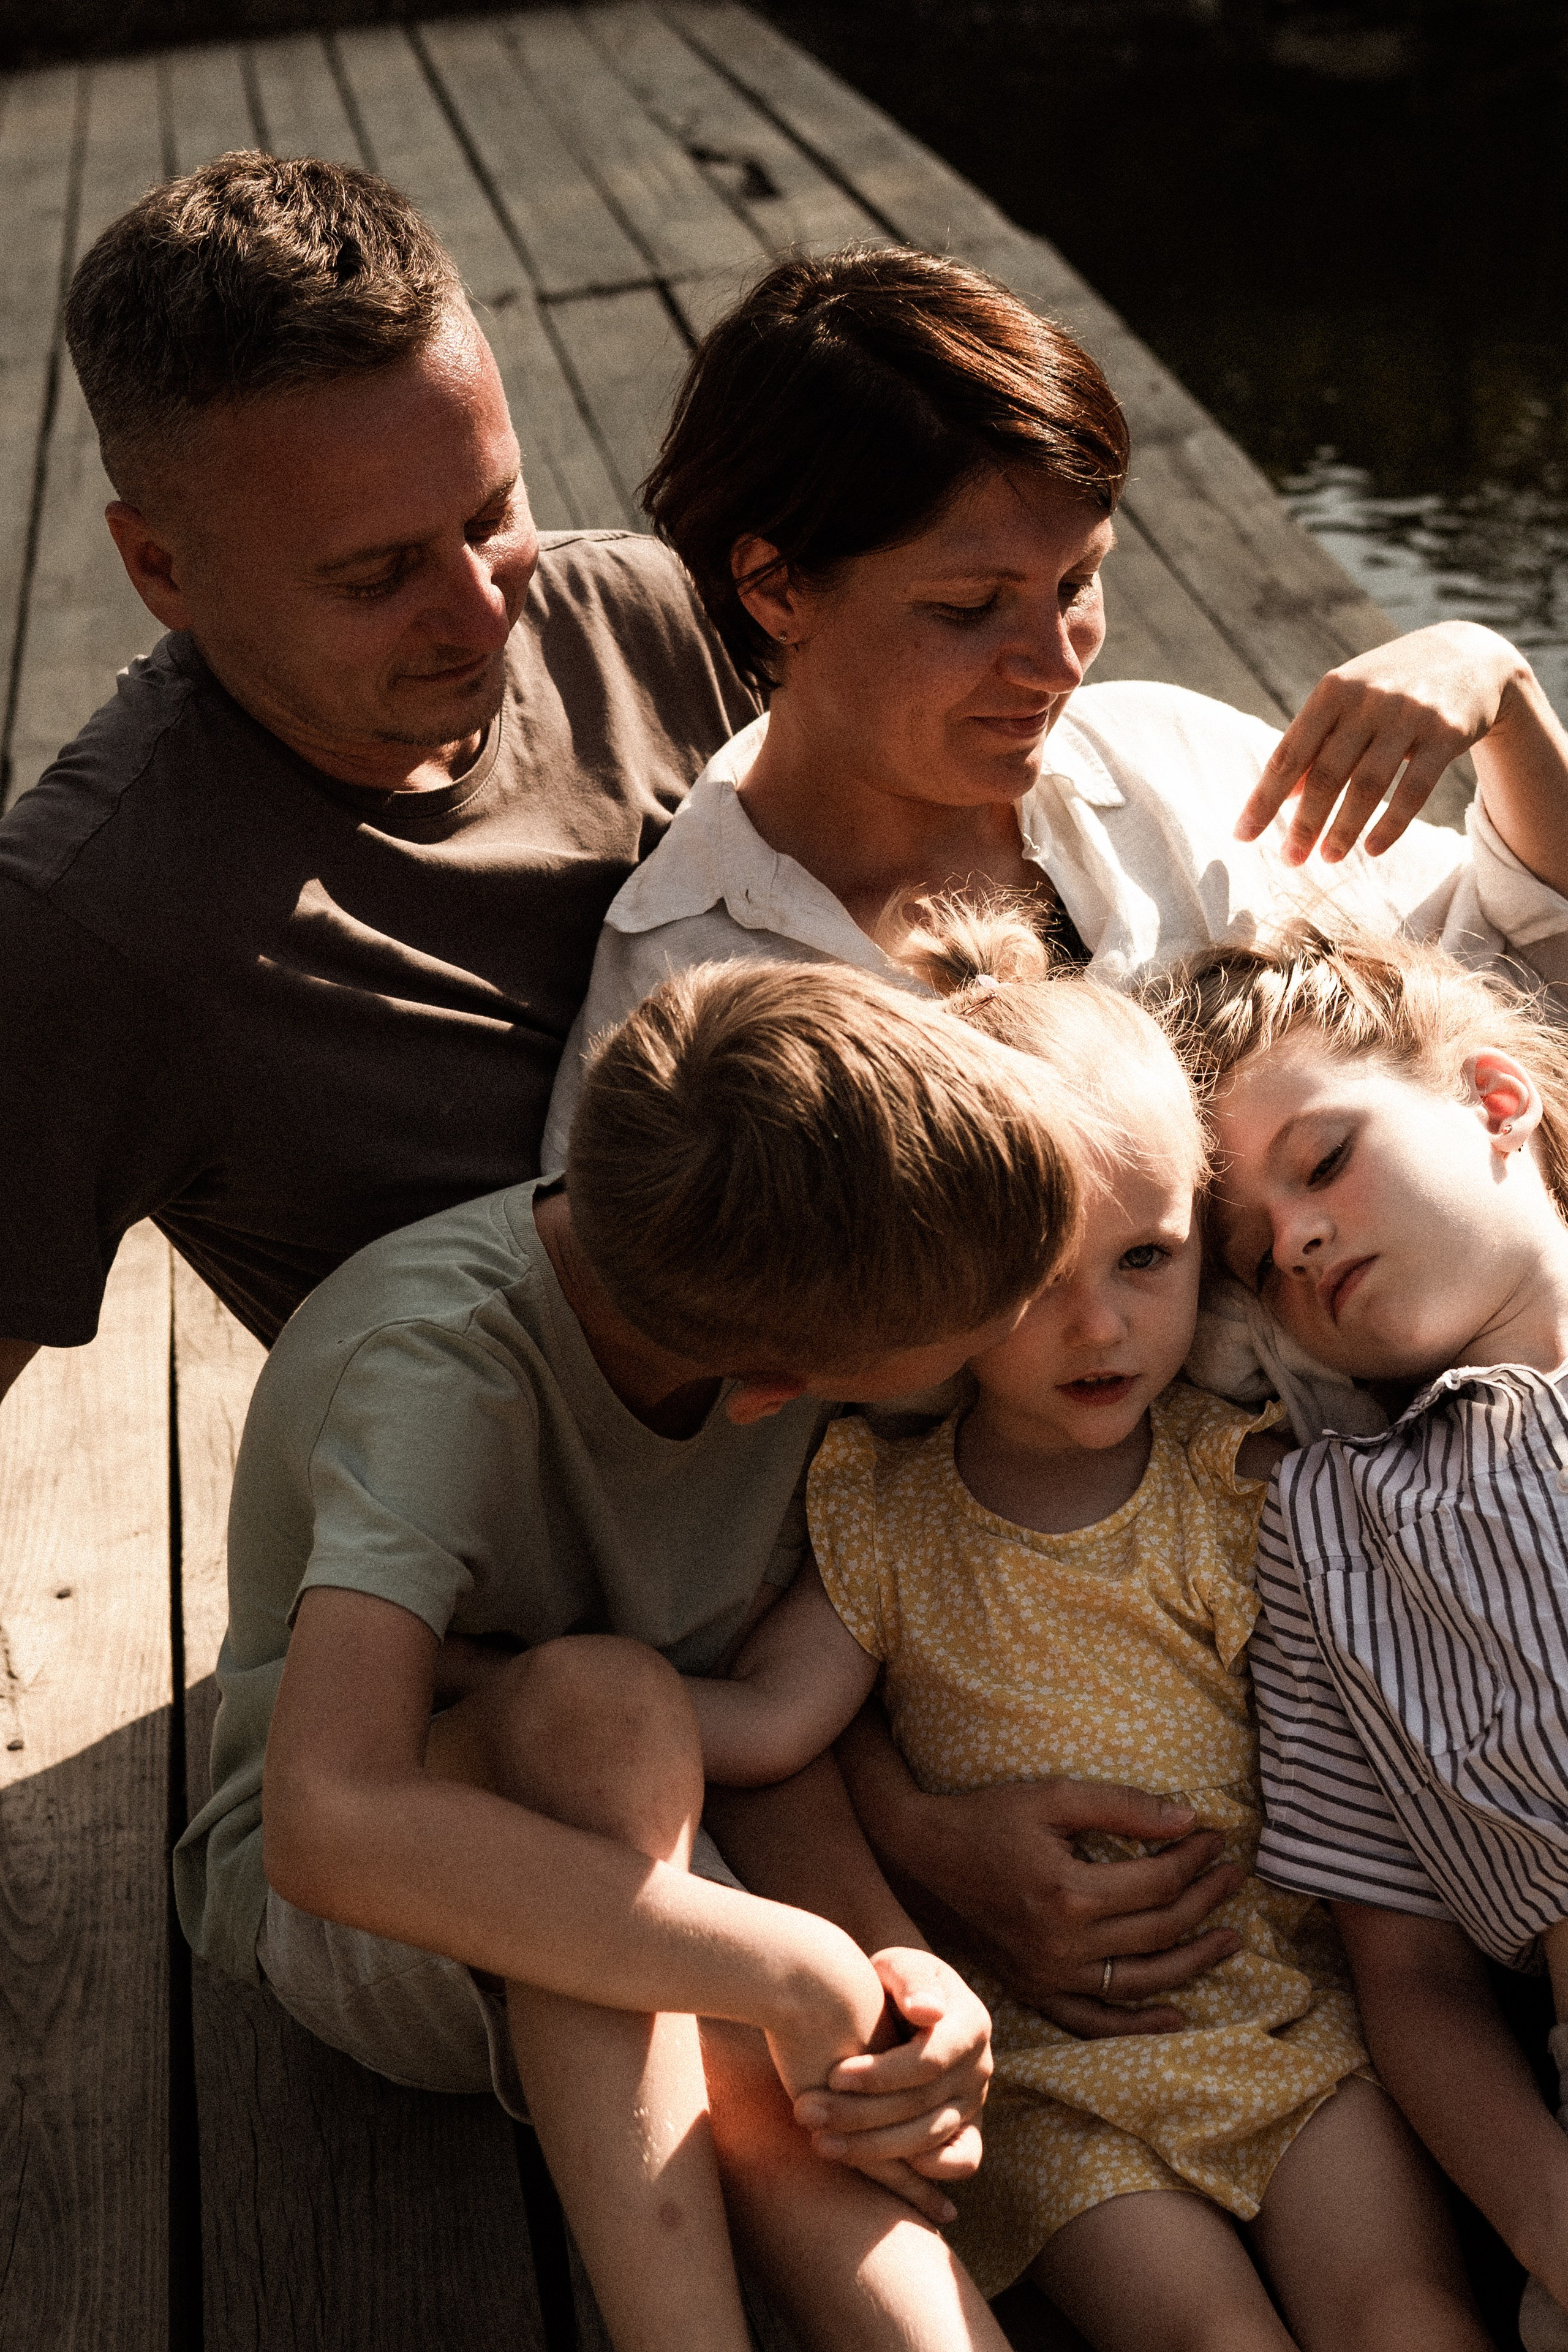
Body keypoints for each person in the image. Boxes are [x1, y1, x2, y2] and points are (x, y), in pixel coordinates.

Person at [541, 244, 1568, 2047]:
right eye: (970, 608)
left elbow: (1507, 974)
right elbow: (743, 1557)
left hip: (1480, 1620)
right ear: (774, 584)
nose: (1054, 662)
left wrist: (1493, 683)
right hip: (1168, 1801)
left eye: (1080, 583)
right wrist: (922, 1848)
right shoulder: (698, 1010)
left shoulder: (1162, 763)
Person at [176, 952, 1095, 2352]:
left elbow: (766, 1729)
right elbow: (326, 1825)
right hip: (368, 1920)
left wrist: (894, 1963)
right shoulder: (438, 1370)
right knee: (603, 1729)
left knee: (705, 1925)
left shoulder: (765, 1290)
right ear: (772, 1394)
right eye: (958, 1357)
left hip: (685, 1821)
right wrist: (790, 1964)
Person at [685, 903, 1485, 2351]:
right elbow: (763, 1724)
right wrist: (512, 1689)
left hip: (1292, 2026)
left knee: (1406, 2315)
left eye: (1145, 1261)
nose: (1100, 1330)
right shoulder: (883, 1512)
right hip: (1059, 2067)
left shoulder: (1244, 1480)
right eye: (1036, 1281)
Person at [0, 148, 755, 1384]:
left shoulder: (641, 610)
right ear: (161, 571)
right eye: (376, 574)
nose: (481, 613)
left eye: (489, 516)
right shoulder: (90, 925)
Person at [1157, 924, 1568, 2352]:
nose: (1301, 1238)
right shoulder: (1330, 1537)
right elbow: (1410, 1975)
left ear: (1494, 1100)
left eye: (1322, 1161)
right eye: (1254, 1257)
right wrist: (1543, 2221)